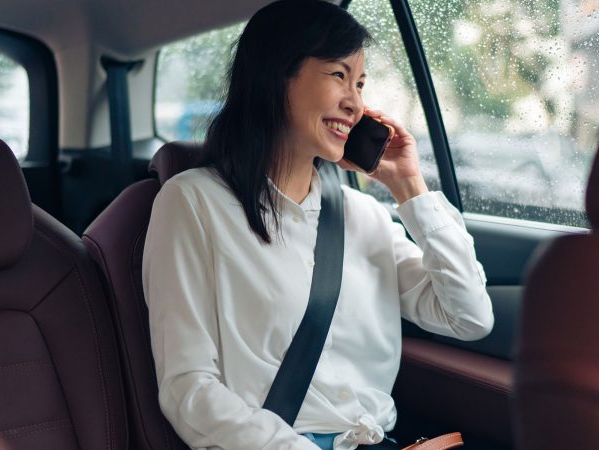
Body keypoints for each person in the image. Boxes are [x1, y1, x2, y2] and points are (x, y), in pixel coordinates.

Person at [142, 1, 493, 449]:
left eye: (361, 83)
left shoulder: (363, 215)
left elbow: (470, 316)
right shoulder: (192, 202)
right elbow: (188, 388)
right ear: (277, 74)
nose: (356, 102)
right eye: (338, 75)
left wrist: (409, 186)